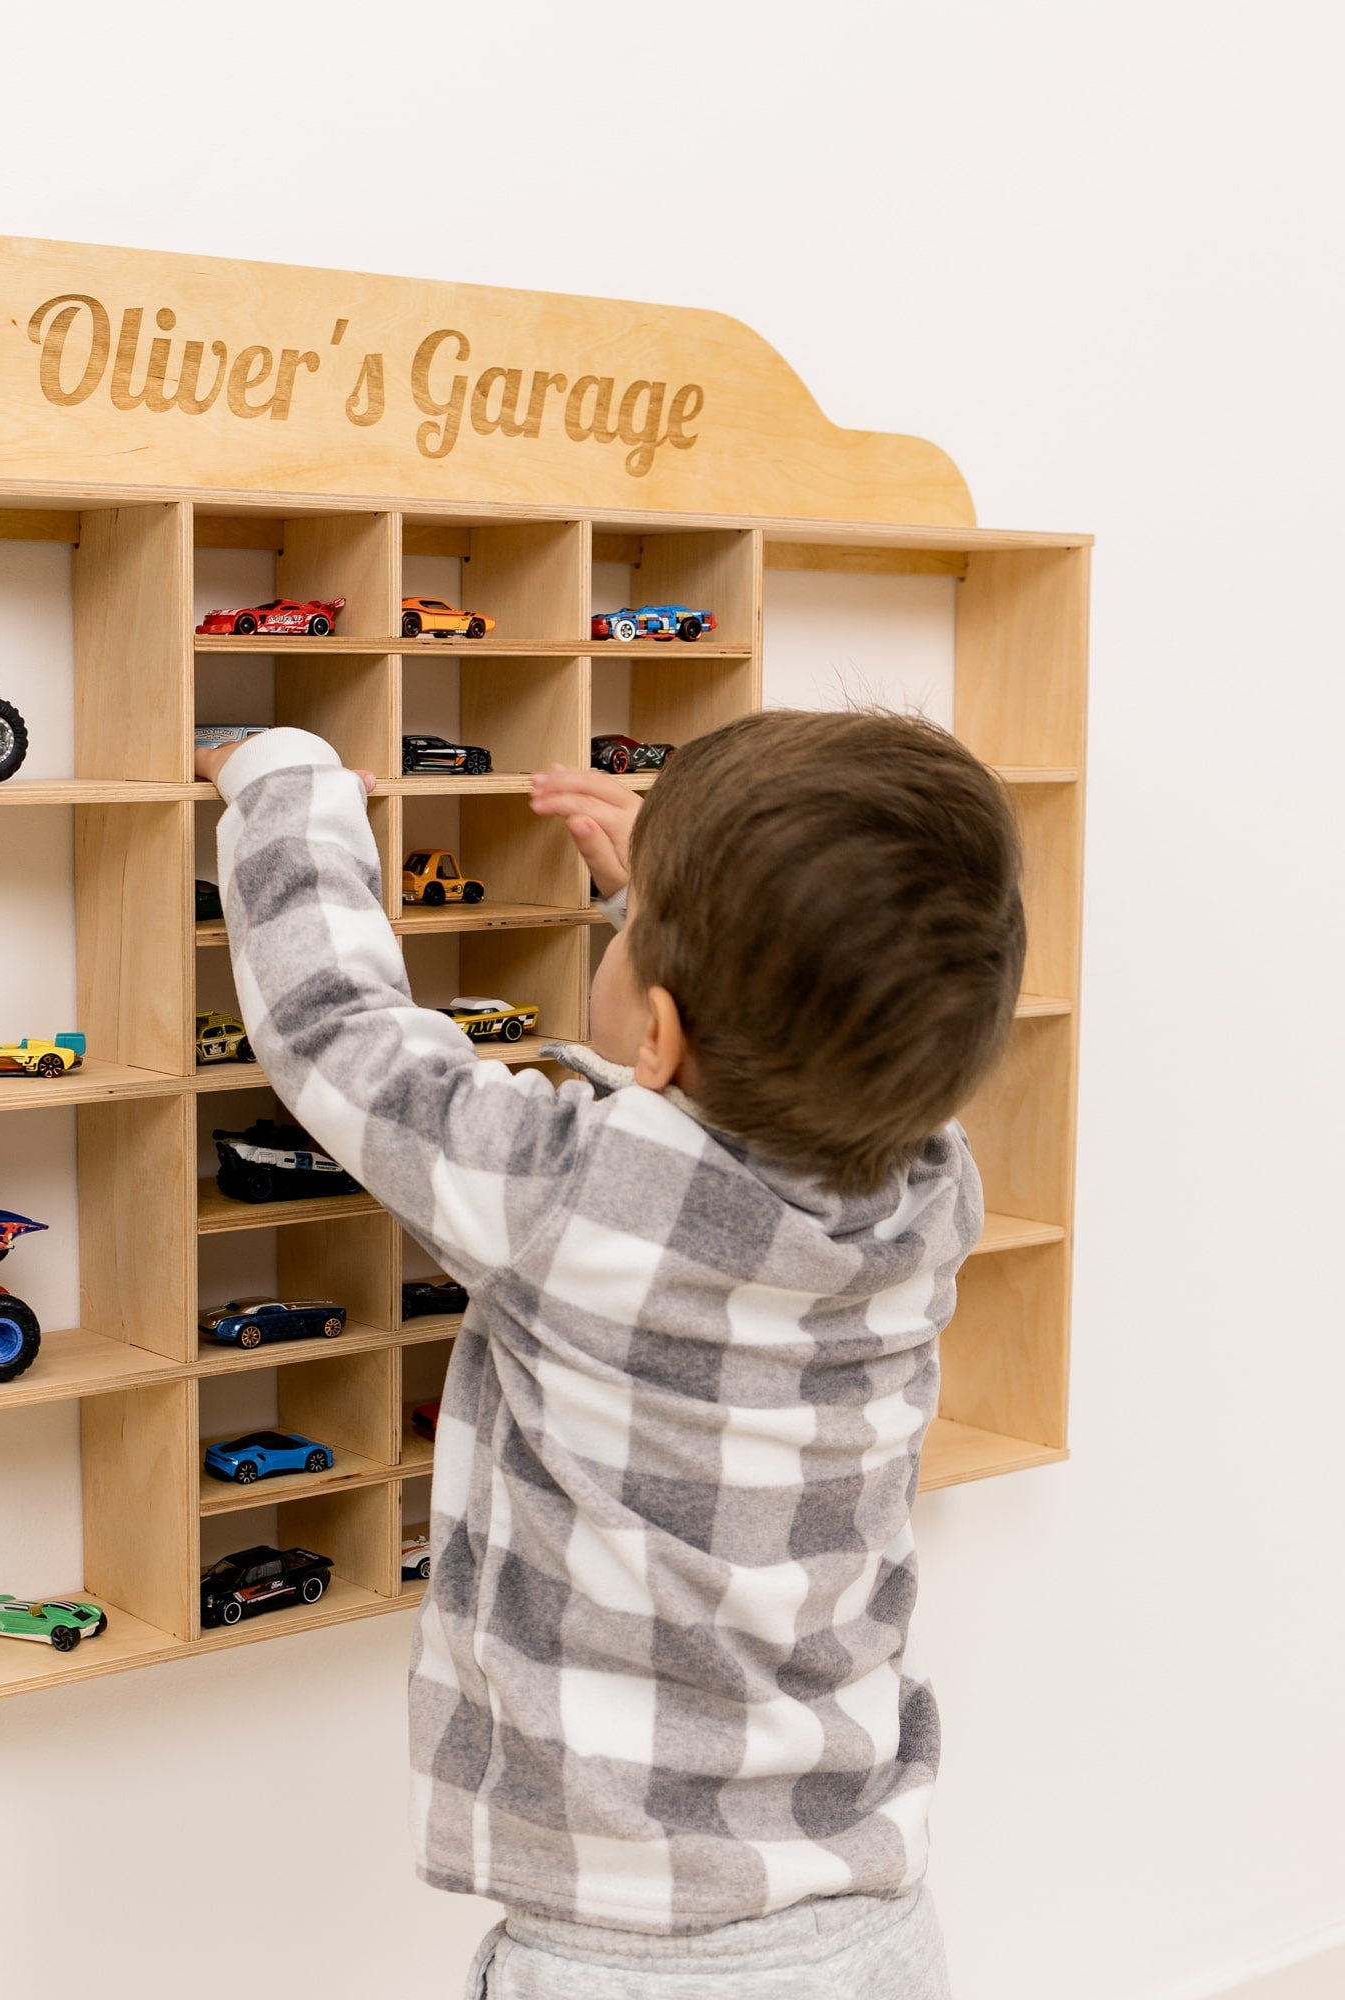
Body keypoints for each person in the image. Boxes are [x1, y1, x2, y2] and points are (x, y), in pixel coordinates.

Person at [195, 709, 1025, 1999]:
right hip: (866, 1917)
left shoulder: (580, 1195)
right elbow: (847, 1001)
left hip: (625, 1952)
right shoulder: (931, 1191)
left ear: (656, 1036)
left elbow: (344, 1037)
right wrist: (705, 906)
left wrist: (285, 787)